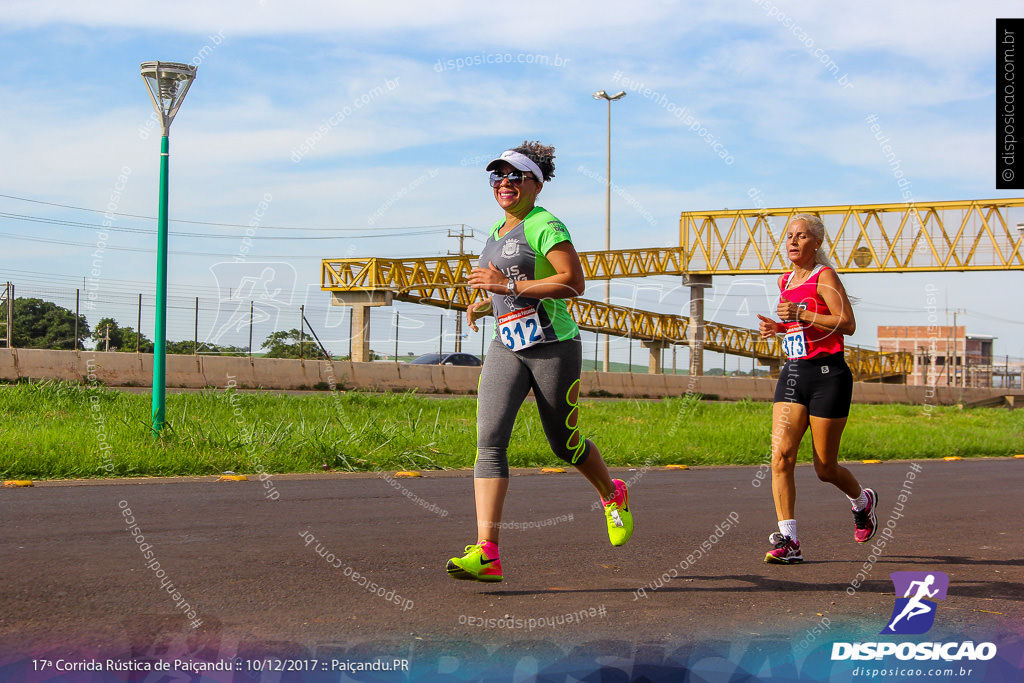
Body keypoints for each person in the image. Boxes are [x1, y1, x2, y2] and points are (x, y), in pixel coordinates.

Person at [445, 141, 633, 583]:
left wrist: (506, 286)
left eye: (515, 176)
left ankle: (612, 492)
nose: (505, 183)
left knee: (563, 444)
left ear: (537, 184)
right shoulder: (494, 233)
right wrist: (484, 303)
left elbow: (573, 283)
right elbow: (501, 288)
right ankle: (487, 552)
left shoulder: (545, 224)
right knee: (489, 440)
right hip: (507, 346)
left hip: (553, 346)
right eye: (497, 176)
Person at [756, 213, 877, 564]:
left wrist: (801, 314)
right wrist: (780, 328)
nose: (793, 241)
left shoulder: (825, 276)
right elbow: (801, 326)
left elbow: (847, 324)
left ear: (817, 243)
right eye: (789, 236)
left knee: (825, 468)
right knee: (781, 456)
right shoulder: (785, 280)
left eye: (802, 236)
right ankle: (789, 541)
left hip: (828, 375)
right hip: (794, 374)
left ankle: (862, 501)